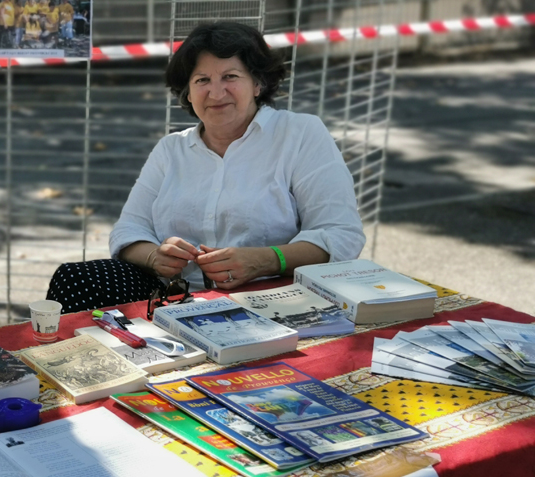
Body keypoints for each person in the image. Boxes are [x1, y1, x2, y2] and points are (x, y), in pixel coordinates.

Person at [46, 22, 364, 313]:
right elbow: (129, 232)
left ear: (258, 83)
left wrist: (266, 260)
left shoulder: (300, 134)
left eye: (230, 77)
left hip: (269, 293)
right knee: (76, 278)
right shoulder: (171, 149)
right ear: (188, 92)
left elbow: (341, 235)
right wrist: (155, 256)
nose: (215, 92)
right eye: (202, 80)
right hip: (174, 295)